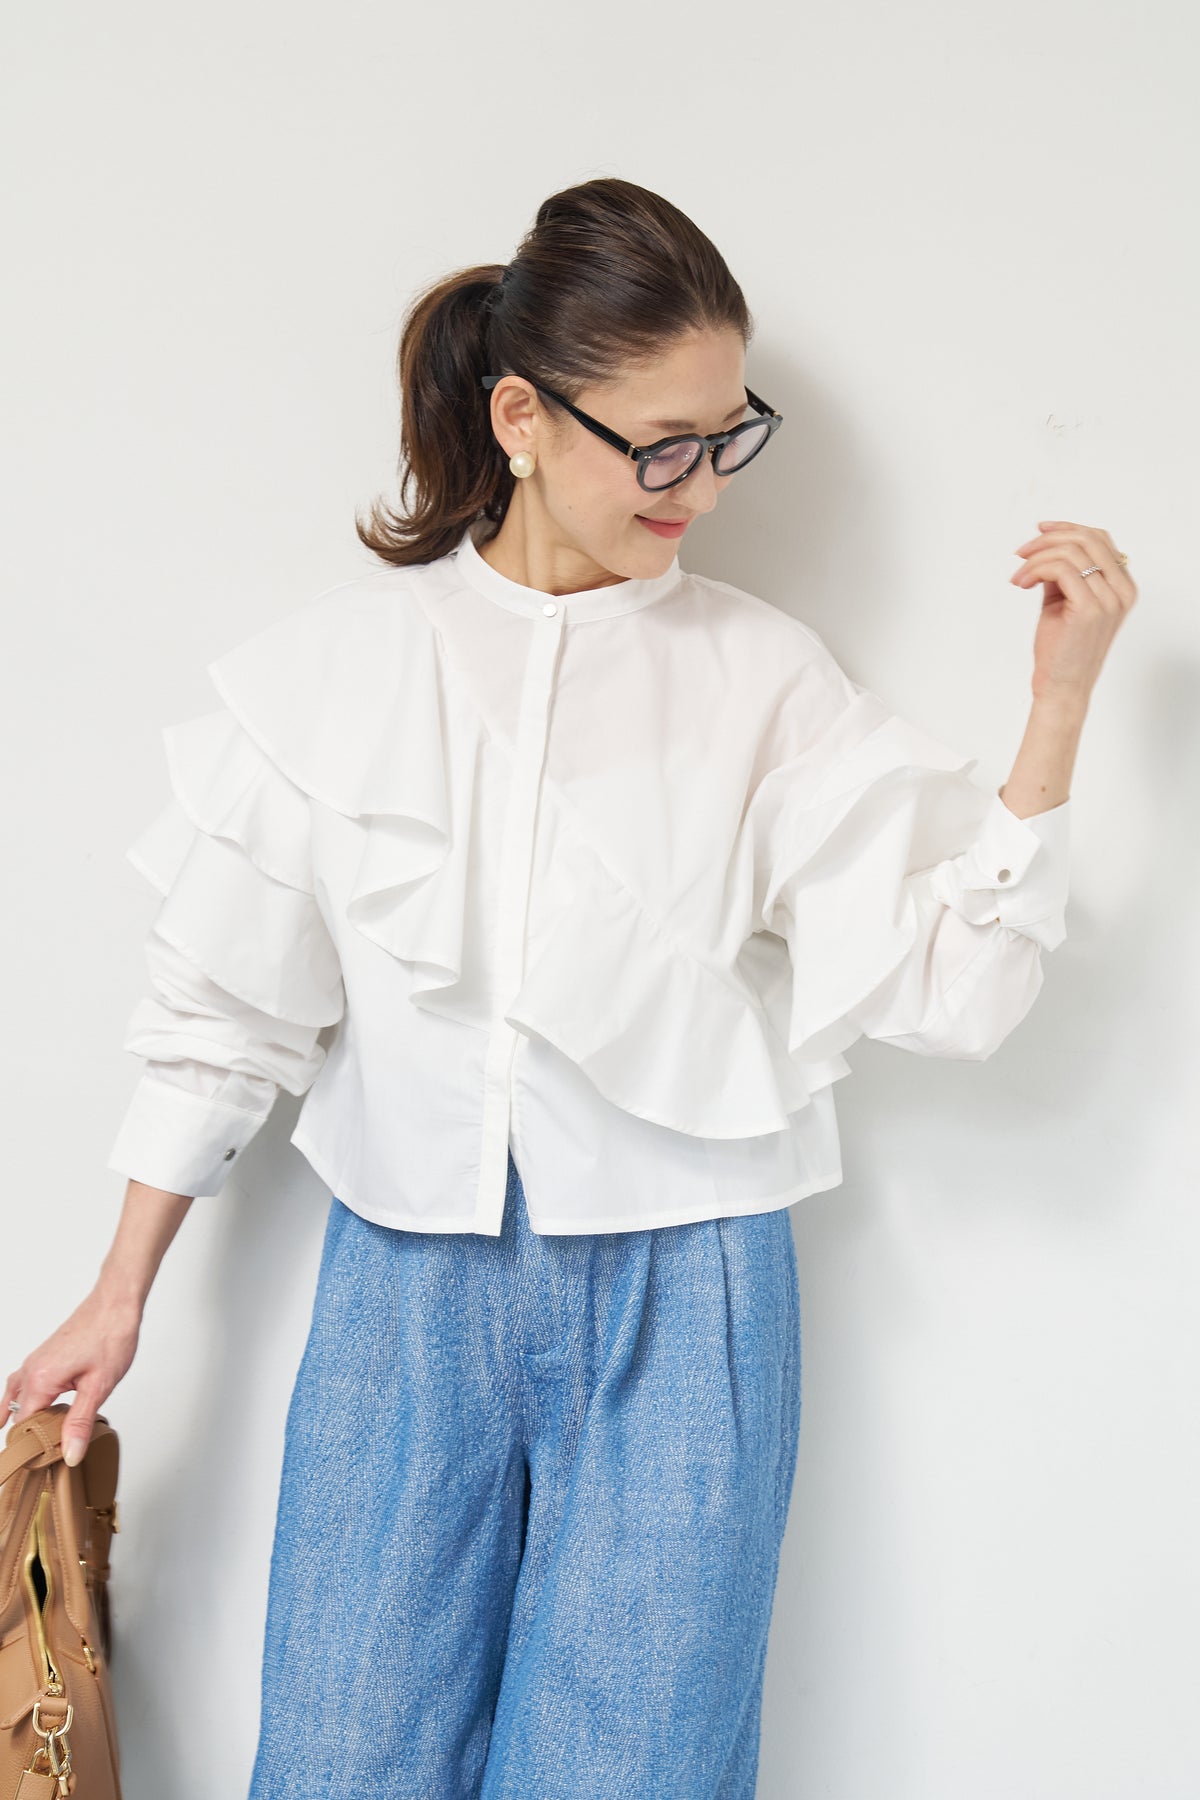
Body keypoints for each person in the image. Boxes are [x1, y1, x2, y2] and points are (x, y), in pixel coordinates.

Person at [3, 176, 1136, 1797]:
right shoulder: (342, 677)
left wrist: (1059, 709)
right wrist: (119, 1293)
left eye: (729, 439)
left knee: (633, 1771)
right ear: (523, 417)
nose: (704, 487)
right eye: (663, 446)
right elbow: (223, 1019)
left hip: (689, 1290)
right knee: (342, 1757)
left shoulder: (763, 681)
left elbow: (954, 994)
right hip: (402, 1284)